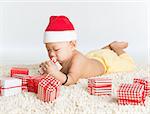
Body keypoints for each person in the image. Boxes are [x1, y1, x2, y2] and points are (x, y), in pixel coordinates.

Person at [40, 15, 136, 86]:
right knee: (100, 53)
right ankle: (108, 47)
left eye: (56, 49)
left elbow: (71, 80)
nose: (51, 53)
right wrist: (48, 71)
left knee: (129, 65)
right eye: (48, 50)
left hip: (106, 62)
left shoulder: (77, 61)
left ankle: (116, 48)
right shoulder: (65, 57)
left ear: (72, 45)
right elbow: (63, 72)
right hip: (92, 57)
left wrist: (55, 73)